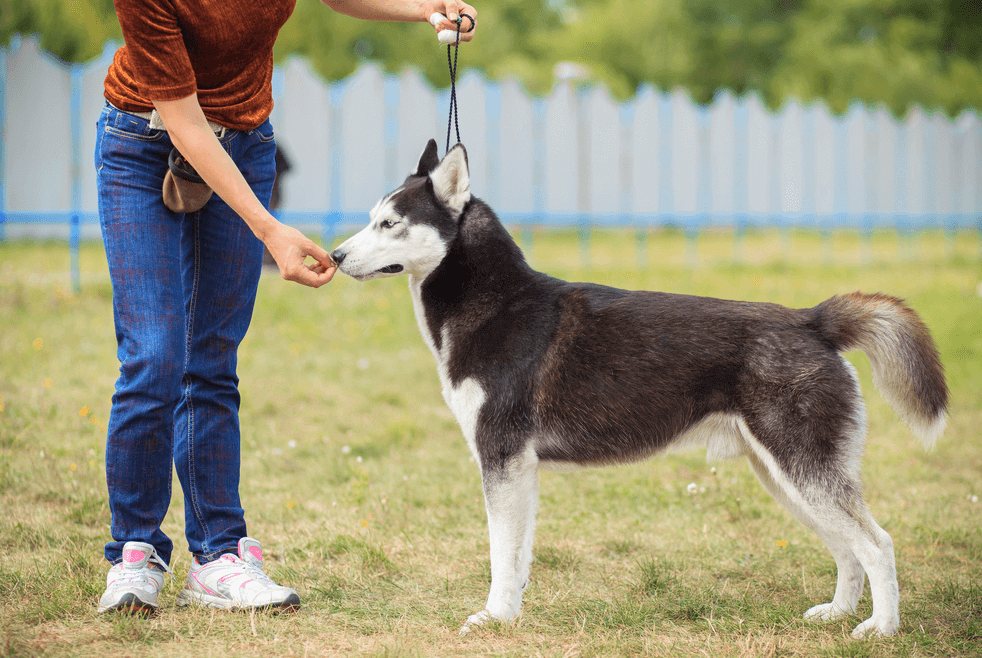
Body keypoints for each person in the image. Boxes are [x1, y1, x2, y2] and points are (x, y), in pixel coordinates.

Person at [95, 0, 477, 614]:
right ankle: (134, 554)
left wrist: (423, 7)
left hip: (245, 143)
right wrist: (271, 230)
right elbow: (185, 122)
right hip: (143, 145)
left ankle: (219, 555)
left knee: (211, 358)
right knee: (155, 357)